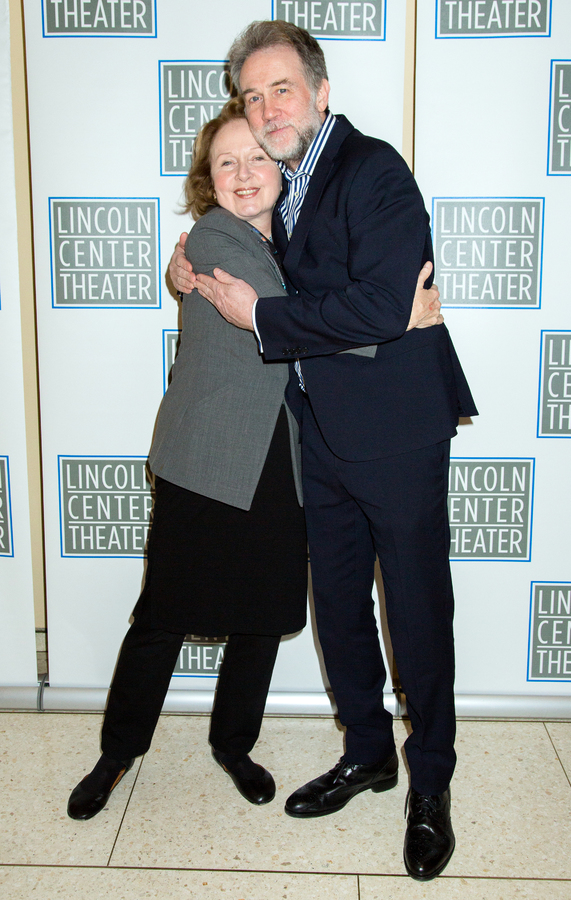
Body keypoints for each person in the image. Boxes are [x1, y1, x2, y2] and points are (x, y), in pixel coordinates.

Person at [169, 20, 477, 882]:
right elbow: (237, 246)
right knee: (339, 605)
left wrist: (263, 319)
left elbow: (382, 304)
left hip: (397, 432)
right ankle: (370, 753)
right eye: (253, 96)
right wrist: (185, 264)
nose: (267, 110)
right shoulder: (280, 182)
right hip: (321, 437)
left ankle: (432, 784)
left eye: (282, 90)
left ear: (322, 91)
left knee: (415, 611)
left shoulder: (374, 171)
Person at [67, 98, 309, 820]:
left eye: (257, 158)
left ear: (283, 165)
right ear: (207, 178)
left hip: (282, 462)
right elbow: (296, 316)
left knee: (262, 616)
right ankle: (118, 753)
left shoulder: (301, 242)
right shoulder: (209, 237)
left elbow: (307, 310)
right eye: (225, 162)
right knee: (163, 615)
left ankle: (234, 744)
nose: (243, 174)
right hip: (205, 455)